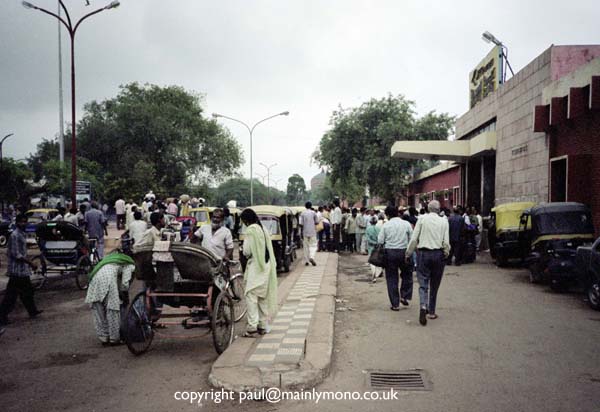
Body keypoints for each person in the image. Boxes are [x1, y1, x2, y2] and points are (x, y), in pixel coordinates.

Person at [406, 200, 450, 326]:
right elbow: (446, 242)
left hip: (423, 254)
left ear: (428, 208)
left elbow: (414, 238)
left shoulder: (422, 219)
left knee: (423, 283)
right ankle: (431, 311)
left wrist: (408, 253)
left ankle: (423, 306)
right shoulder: (444, 221)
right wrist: (445, 253)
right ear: (438, 209)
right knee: (435, 284)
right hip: (438, 254)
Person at [0, 214, 43, 330]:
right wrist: (31, 263)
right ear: (17, 222)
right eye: (21, 222)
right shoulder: (15, 235)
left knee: (27, 291)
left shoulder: (22, 234)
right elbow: (16, 254)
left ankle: (32, 311)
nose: (23, 224)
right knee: (11, 295)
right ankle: (2, 316)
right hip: (16, 270)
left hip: (22, 270)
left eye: (25, 222)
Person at [240, 208, 277, 337]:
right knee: (262, 296)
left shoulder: (250, 230)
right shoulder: (263, 229)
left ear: (245, 220)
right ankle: (262, 325)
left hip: (256, 266)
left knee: (251, 295)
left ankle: (252, 327)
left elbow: (247, 251)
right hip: (266, 266)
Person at [85, 253, 135, 346]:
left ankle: (104, 337)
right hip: (108, 279)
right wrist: (124, 294)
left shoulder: (111, 259)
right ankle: (114, 339)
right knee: (113, 310)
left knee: (98, 310)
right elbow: (124, 284)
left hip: (95, 279)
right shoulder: (130, 265)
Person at [378, 205, 414, 311]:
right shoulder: (406, 224)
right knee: (407, 274)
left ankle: (395, 304)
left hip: (390, 253)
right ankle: (404, 295)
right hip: (404, 252)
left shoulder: (386, 225)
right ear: (398, 213)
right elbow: (412, 239)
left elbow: (380, 241)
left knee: (392, 278)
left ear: (388, 215)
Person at [299, 201, 319, 266]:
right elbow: (317, 222)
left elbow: (301, 224)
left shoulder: (302, 213)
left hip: (305, 232)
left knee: (306, 247)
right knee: (313, 245)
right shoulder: (314, 213)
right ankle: (311, 257)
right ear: (311, 206)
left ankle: (307, 261)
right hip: (312, 232)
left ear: (305, 206)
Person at [365, 216, 382, 282]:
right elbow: (380, 238)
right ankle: (377, 274)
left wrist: (373, 242)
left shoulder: (368, 229)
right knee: (378, 260)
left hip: (371, 246)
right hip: (378, 246)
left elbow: (368, 239)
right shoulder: (379, 228)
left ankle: (374, 275)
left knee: (372, 261)